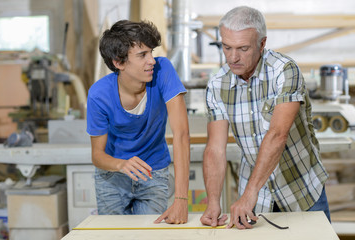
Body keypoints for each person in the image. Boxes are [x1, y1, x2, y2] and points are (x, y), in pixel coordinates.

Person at [200, 6, 330, 229]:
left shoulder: (285, 71)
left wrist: (249, 194)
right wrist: (213, 202)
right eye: (227, 47)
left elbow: (278, 135)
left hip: (301, 191)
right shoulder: (217, 84)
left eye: (242, 48)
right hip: (257, 202)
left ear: (262, 44)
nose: (233, 57)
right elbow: (215, 148)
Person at [86, 20, 190, 224]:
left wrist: (181, 199)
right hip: (112, 177)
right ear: (119, 62)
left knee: (150, 235)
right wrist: (121, 164)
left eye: (151, 52)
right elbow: (97, 155)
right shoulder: (99, 95)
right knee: (115, 236)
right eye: (142, 55)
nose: (151, 60)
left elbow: (181, 135)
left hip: (154, 171)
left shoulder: (163, 70)